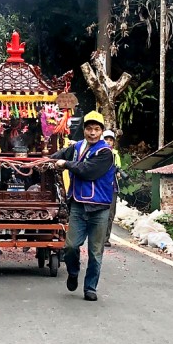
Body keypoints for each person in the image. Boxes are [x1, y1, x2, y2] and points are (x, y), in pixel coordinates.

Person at [50, 110, 115, 302]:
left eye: (96, 129)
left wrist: (66, 164)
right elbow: (56, 156)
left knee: (96, 252)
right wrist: (46, 160)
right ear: (84, 130)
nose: (92, 133)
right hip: (78, 205)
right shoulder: (77, 147)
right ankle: (73, 272)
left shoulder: (106, 153)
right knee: (70, 246)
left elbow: (88, 171)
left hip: (100, 208)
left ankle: (90, 287)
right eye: (89, 129)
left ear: (102, 131)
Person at [102, 129, 122, 247]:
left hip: (112, 187)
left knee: (110, 214)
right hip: (100, 187)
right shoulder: (97, 151)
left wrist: (118, 173)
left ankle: (105, 238)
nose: (109, 142)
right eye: (106, 139)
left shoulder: (115, 154)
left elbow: (118, 170)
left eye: (111, 140)